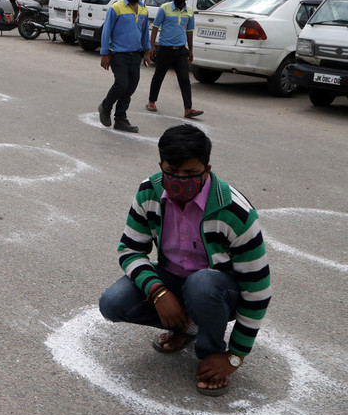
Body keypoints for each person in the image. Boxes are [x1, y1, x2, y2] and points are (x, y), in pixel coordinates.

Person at [99, 124, 271, 397]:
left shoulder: (234, 211)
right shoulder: (149, 191)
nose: (181, 180)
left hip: (218, 292)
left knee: (202, 284)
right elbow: (130, 250)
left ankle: (211, 352)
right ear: (161, 166)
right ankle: (185, 325)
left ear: (207, 169)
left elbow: (258, 290)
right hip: (172, 279)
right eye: (172, 171)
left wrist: (235, 356)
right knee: (112, 302)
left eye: (191, 173)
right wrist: (158, 292)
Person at [98, 0, 151, 133]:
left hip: (136, 54)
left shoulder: (144, 9)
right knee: (121, 83)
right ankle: (105, 107)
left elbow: (144, 33)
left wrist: (147, 51)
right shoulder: (116, 8)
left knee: (130, 87)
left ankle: (120, 119)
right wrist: (105, 53)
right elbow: (107, 31)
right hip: (118, 54)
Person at [147, 0, 203, 119]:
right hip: (165, 49)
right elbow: (155, 27)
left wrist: (190, 50)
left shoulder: (189, 12)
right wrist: (152, 46)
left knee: (184, 79)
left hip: (181, 51)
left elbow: (189, 31)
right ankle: (151, 102)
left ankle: (188, 109)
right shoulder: (164, 8)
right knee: (158, 76)